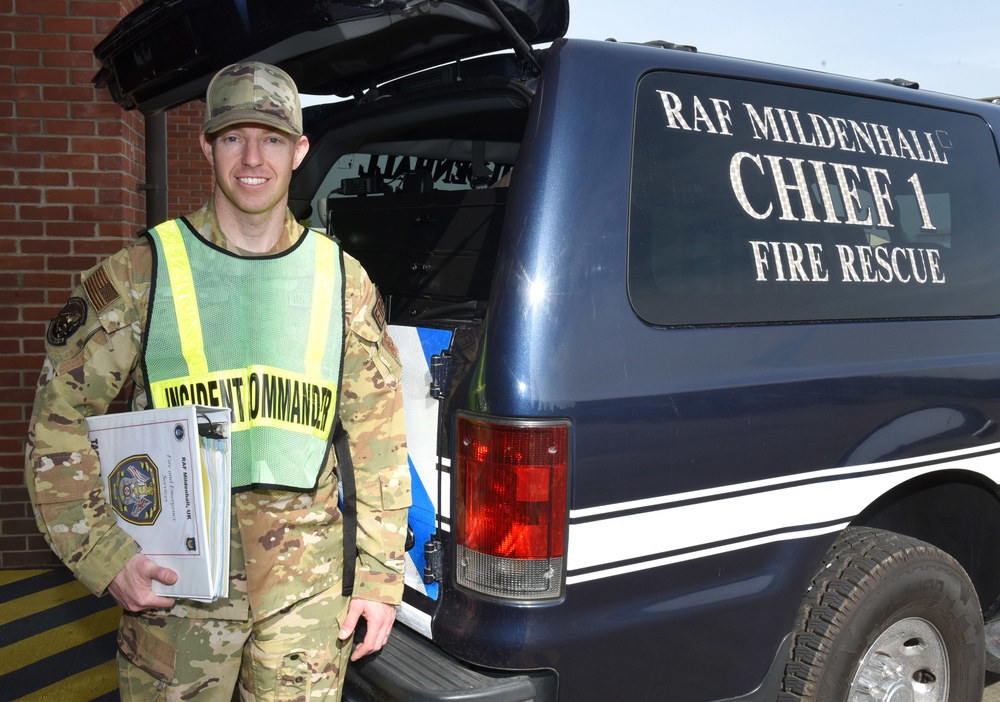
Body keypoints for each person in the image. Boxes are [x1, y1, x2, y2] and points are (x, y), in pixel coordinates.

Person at [25, 61, 411, 701]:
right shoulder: (143, 274)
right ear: (206, 145)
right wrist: (103, 554)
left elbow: (379, 439)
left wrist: (378, 577)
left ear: (300, 150)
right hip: (176, 589)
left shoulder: (341, 280)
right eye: (234, 137)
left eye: (273, 138)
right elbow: (59, 418)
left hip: (305, 593)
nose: (252, 157)